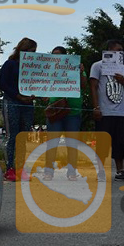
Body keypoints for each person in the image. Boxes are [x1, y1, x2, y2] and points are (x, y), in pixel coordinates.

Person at [90, 40, 124, 182]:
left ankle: (120, 171)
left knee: (119, 144)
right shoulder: (98, 66)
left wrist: (123, 81)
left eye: (122, 50)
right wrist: (96, 107)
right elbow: (93, 87)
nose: (120, 53)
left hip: (120, 112)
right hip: (105, 111)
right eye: (118, 50)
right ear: (109, 50)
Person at [42, 46, 88, 182]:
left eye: (58, 55)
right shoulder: (49, 70)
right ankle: (48, 171)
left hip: (73, 110)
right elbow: (42, 86)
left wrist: (81, 72)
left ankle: (72, 171)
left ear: (65, 57)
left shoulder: (75, 67)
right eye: (53, 55)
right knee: (52, 142)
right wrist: (43, 96)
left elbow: (84, 85)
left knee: (72, 143)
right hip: (55, 110)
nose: (56, 58)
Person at [0, 37, 37, 182]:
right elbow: (2, 84)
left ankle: (21, 168)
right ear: (23, 50)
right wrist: (17, 96)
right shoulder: (10, 64)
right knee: (12, 136)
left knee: (24, 136)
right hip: (12, 102)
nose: (33, 55)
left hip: (27, 103)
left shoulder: (32, 68)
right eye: (31, 51)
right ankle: (9, 168)